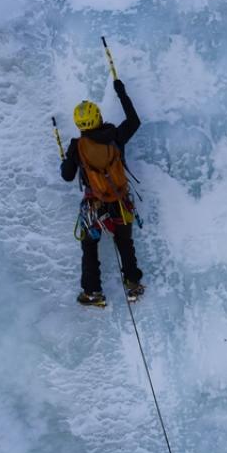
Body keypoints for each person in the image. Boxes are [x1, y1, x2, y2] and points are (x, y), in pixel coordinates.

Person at [61, 79, 145, 307]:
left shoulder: (76, 146)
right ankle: (133, 284)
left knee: (89, 247)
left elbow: (67, 176)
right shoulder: (115, 136)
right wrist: (122, 93)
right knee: (124, 243)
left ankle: (92, 292)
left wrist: (67, 160)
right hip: (119, 200)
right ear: (97, 116)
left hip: (93, 205)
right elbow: (134, 122)